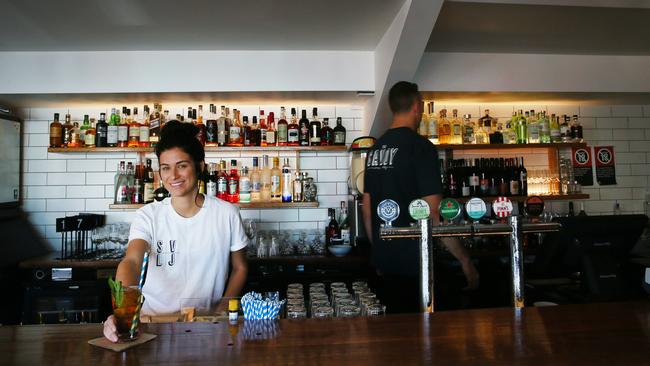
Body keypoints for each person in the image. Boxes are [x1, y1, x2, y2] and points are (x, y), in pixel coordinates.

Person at [103, 121, 248, 342]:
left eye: (182, 165)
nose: (173, 176)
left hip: (206, 326)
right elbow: (131, 262)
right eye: (165, 167)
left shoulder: (226, 213)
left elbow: (240, 267)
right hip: (152, 328)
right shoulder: (148, 215)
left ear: (199, 166)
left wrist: (222, 308)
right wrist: (123, 312)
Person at [362, 81, 479, 313]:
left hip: (386, 266)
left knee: (394, 336)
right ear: (418, 107)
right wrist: (465, 260)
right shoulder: (420, 147)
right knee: (428, 339)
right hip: (418, 266)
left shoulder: (375, 149)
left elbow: (367, 208)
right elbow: (433, 213)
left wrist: (381, 253)